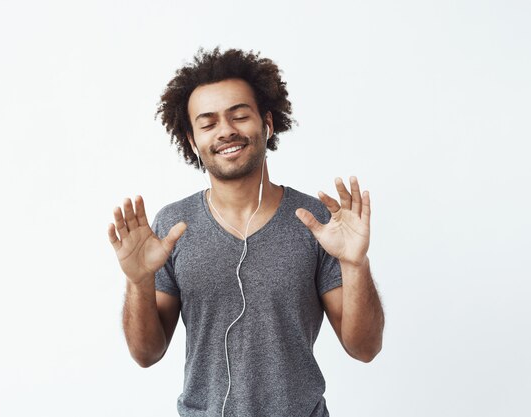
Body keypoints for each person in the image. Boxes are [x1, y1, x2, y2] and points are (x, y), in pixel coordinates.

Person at [108, 47, 384, 417]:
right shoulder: (172, 226)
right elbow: (146, 355)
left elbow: (364, 348)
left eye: (239, 116)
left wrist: (355, 264)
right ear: (192, 140)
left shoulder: (316, 222)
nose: (226, 131)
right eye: (208, 124)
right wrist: (139, 282)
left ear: (267, 123)